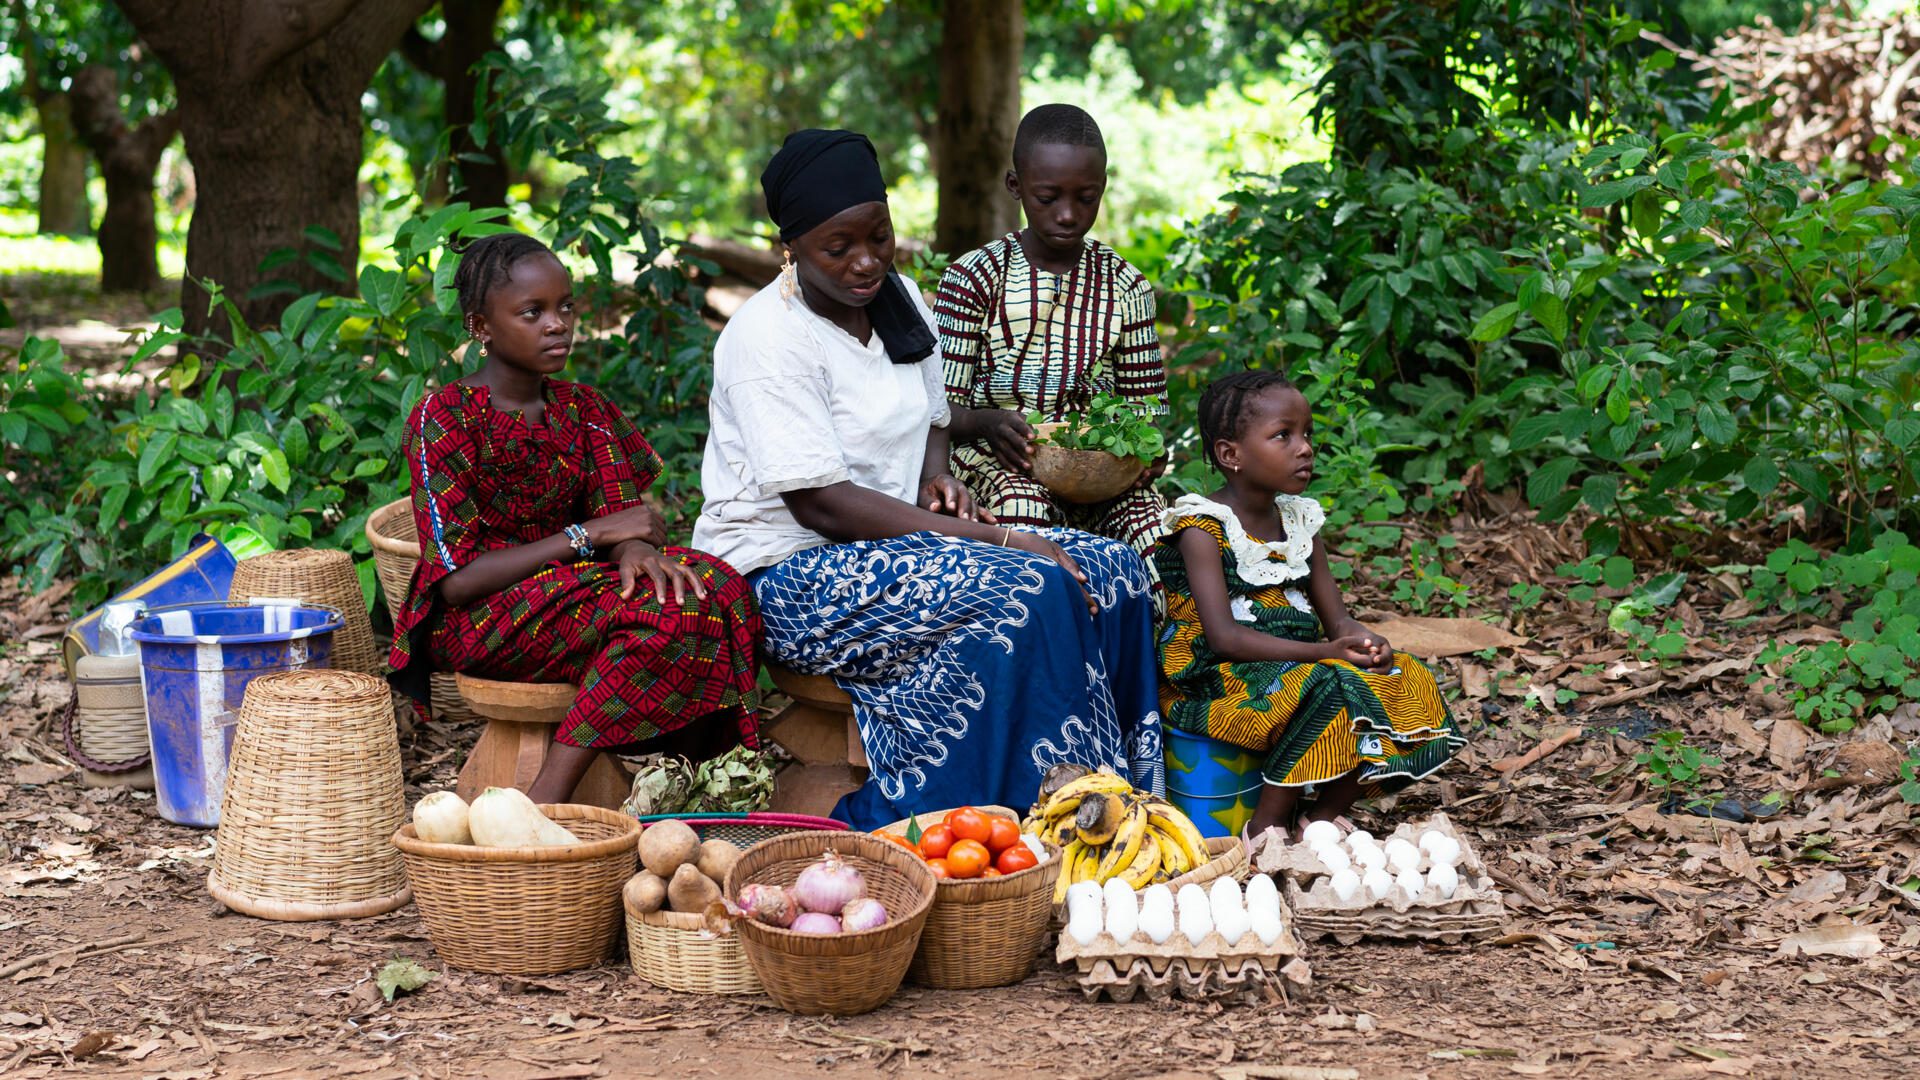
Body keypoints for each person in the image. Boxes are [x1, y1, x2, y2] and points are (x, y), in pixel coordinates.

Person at [694, 128, 1164, 829]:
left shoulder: (899, 298)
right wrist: (1000, 538)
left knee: (1116, 570)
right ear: (786, 247)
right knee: (1027, 585)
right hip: (789, 574)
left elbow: (935, 416)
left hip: (893, 544)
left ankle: (1123, 811)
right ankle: (993, 817)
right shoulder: (768, 337)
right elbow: (821, 504)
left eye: (878, 236)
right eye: (838, 247)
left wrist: (934, 478)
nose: (865, 262)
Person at [387, 232, 762, 804]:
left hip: (579, 590)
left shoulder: (583, 409)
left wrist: (635, 551)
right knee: (661, 618)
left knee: (722, 586)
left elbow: (626, 519)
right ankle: (545, 801)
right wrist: (586, 537)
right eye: (532, 312)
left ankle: (695, 780)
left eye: (565, 307)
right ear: (481, 327)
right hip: (483, 614)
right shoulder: (444, 417)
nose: (557, 324)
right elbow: (458, 580)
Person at [1152, 370, 1463, 844]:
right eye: (1283, 435)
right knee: (1332, 684)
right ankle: (1266, 827)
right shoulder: (1202, 528)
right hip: (1213, 678)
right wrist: (1327, 654)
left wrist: (1362, 641)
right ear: (1230, 455)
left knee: (1403, 674)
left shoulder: (1299, 521)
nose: (1304, 448)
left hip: (1293, 665)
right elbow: (1224, 638)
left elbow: (1335, 618)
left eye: (1307, 434)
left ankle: (1319, 817)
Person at [933, 103, 1168, 554]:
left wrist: (1144, 453)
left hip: (1103, 469)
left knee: (1156, 530)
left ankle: (1177, 625)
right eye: (1048, 198)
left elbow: (1147, 409)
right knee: (1024, 514)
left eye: (1086, 198)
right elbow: (939, 409)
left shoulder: (1126, 286)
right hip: (995, 461)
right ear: (1015, 186)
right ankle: (1039, 621)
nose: (1067, 214)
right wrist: (988, 423)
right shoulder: (975, 278)